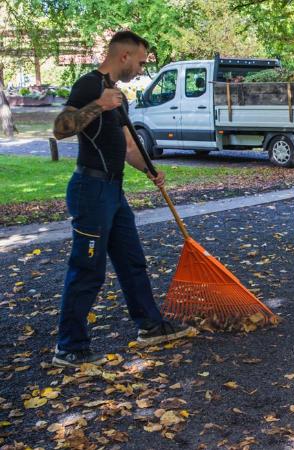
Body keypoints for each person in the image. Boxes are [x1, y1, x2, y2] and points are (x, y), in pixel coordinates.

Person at [52, 30, 195, 367]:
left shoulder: (120, 96)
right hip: (90, 190)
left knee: (132, 261)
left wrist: (149, 169)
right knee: (87, 268)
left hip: (114, 191)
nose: (141, 69)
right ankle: (69, 347)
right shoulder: (90, 85)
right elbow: (60, 128)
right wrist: (98, 105)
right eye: (141, 62)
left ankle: (150, 326)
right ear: (124, 56)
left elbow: (129, 146)